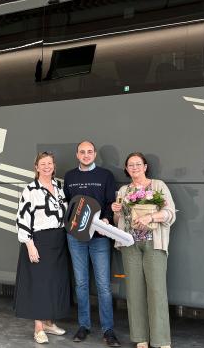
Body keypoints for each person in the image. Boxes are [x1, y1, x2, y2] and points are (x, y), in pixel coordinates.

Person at [111, 152, 176, 348]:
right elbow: (118, 222)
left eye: (138, 164)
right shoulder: (123, 190)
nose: (135, 168)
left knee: (157, 291)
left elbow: (170, 213)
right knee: (134, 292)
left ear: (145, 166)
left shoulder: (158, 186)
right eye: (130, 165)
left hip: (153, 243)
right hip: (130, 245)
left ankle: (161, 340)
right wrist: (115, 212)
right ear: (127, 169)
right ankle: (141, 338)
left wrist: (150, 218)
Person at [63, 141, 121, 347]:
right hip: (76, 238)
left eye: (89, 152)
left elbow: (109, 203)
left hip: (99, 237)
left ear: (95, 154)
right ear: (77, 155)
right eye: (82, 152)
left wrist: (105, 219)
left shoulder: (105, 176)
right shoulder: (69, 177)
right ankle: (84, 325)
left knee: (104, 286)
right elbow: (68, 205)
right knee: (80, 283)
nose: (86, 155)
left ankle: (108, 329)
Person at [15, 151, 71, 344]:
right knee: (39, 284)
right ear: (36, 167)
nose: (47, 167)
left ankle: (48, 323)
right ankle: (38, 328)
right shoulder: (30, 189)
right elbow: (22, 219)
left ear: (54, 166)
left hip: (59, 240)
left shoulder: (58, 186)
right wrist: (30, 245)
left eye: (50, 164)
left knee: (54, 282)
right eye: (43, 164)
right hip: (39, 240)